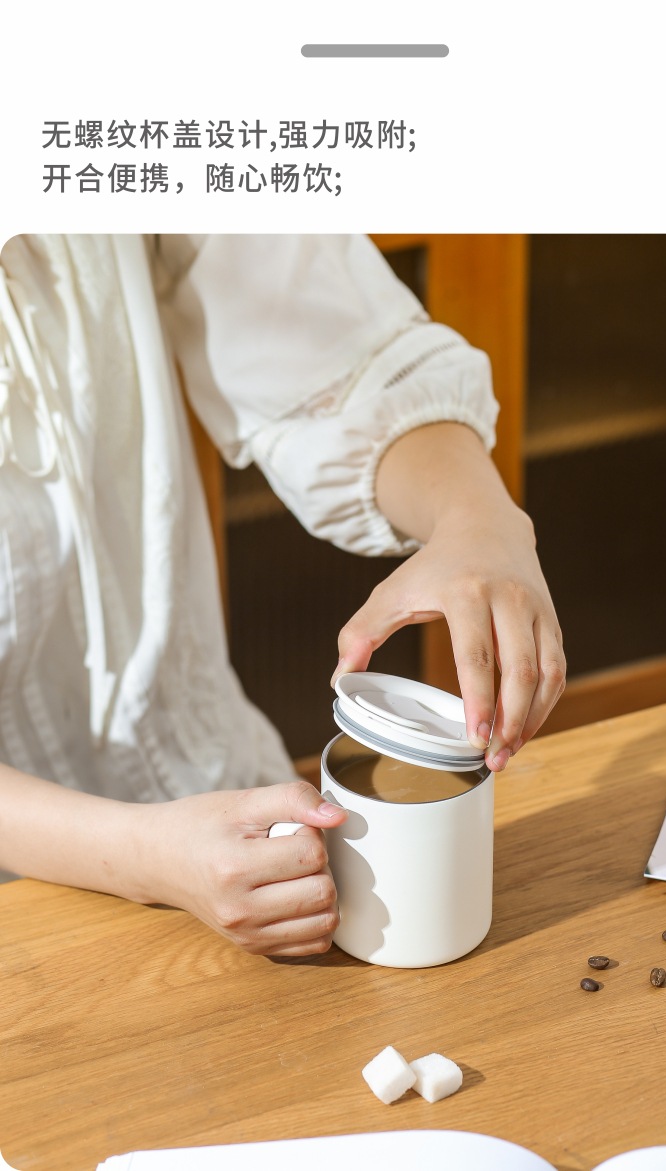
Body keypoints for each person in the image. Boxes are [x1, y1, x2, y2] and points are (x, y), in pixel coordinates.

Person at [0, 233, 565, 956]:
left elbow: (333, 353)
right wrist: (146, 854)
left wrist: (478, 517)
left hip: (245, 830)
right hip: (32, 912)